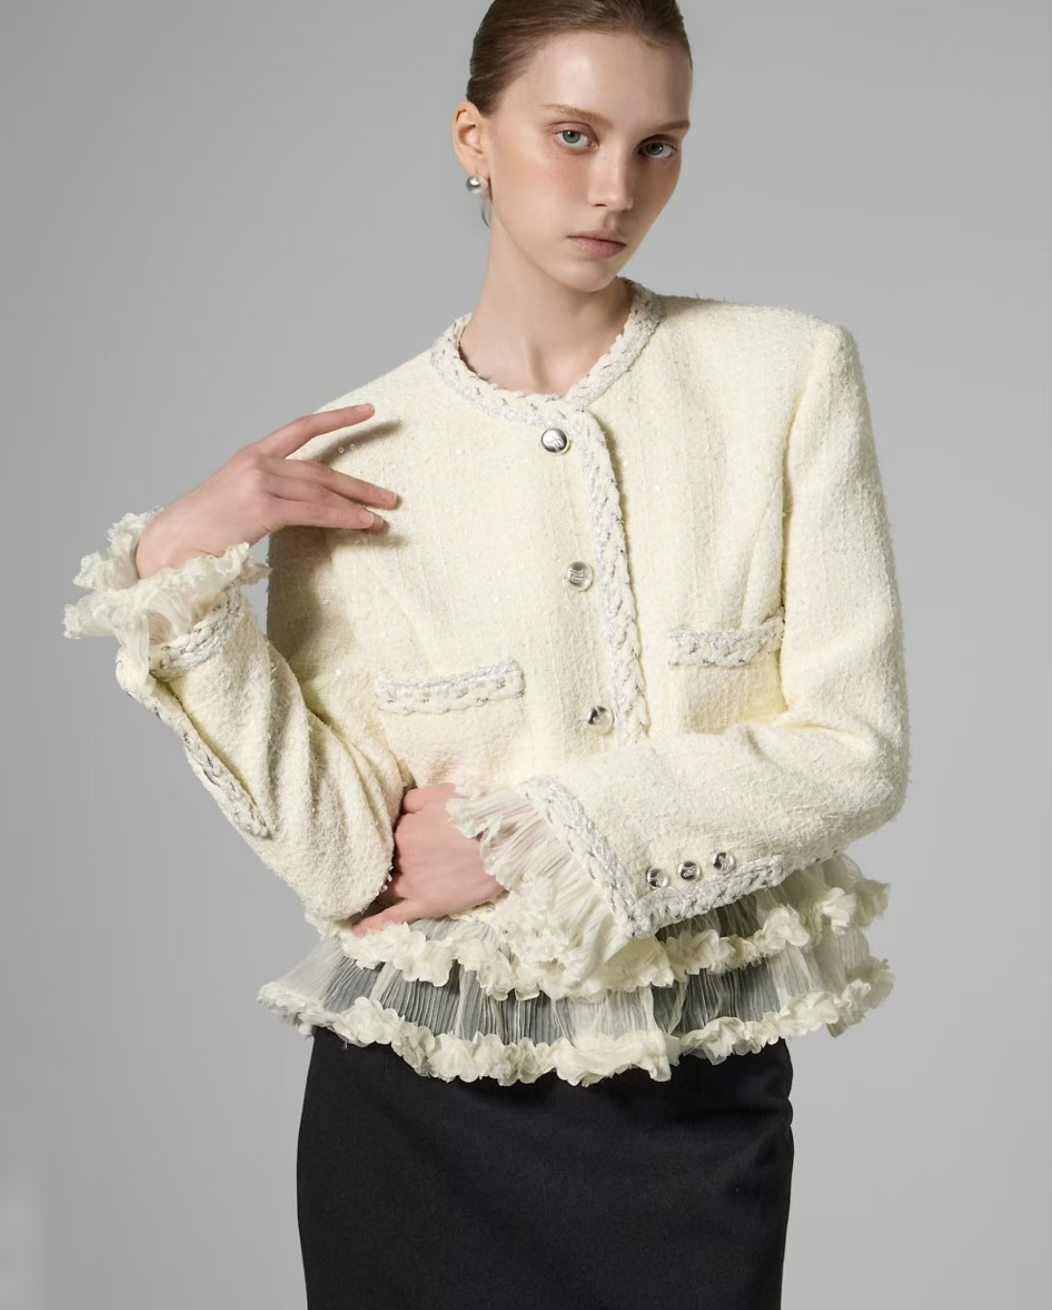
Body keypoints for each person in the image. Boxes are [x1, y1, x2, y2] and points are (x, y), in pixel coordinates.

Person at [62, 2, 910, 1307]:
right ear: (475, 138)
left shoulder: (785, 377)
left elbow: (855, 753)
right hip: (413, 1118)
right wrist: (176, 570)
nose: (615, 188)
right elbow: (345, 861)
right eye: (573, 135)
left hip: (690, 1105)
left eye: (658, 145)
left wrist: (539, 833)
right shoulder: (353, 458)